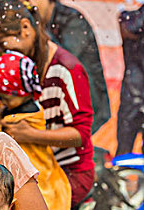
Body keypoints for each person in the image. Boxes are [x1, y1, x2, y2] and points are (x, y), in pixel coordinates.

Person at [0, 0, 95, 209]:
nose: (0, 53)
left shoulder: (66, 69)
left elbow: (81, 135)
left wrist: (30, 135)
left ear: (26, 28)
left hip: (68, 173)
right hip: (36, 170)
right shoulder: (15, 68)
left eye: (1, 44)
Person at [0, 51, 71, 210]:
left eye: (7, 98)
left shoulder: (15, 121)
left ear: (22, 92)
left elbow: (1, 140)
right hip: (53, 173)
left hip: (37, 175)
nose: (3, 102)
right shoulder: (35, 106)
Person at [29, 0, 111, 134]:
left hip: (87, 103)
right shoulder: (40, 22)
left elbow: (64, 60)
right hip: (61, 103)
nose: (29, 4)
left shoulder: (72, 20)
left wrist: (37, 29)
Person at [115, 4, 144, 156]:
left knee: (124, 150)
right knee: (124, 151)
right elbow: (130, 29)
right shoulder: (133, 16)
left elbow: (128, 28)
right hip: (133, 92)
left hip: (133, 93)